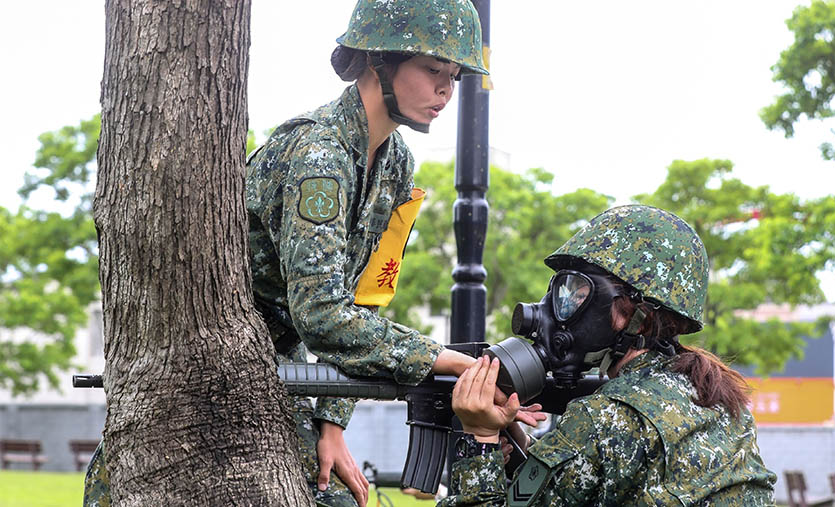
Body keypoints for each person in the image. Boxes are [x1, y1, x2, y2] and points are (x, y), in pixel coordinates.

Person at [83, 2, 542, 506]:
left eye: (452, 76)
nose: (445, 91)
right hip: (209, 373)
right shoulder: (318, 154)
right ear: (378, 61)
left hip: (281, 367)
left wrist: (333, 422)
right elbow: (321, 313)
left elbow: (363, 298)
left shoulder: (395, 164)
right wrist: (440, 359)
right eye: (433, 70)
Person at [440, 205, 777, 506]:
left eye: (578, 293)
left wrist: (480, 437)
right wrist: (524, 450)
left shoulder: (604, 417)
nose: (555, 308)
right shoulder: (720, 404)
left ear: (633, 314)